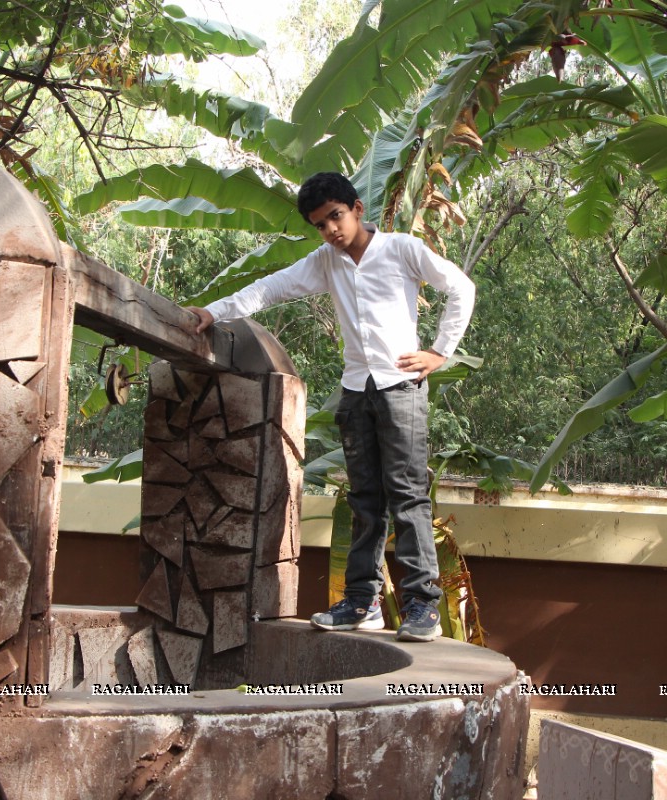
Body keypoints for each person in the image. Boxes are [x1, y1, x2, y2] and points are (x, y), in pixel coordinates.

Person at [184, 172, 475, 642]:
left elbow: (462, 288)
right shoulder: (326, 262)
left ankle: (423, 605)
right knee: (364, 499)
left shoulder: (401, 249)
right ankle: (363, 602)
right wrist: (215, 312)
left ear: (357, 208)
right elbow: (270, 287)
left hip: (402, 386)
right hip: (356, 390)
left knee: (406, 493)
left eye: (336, 217)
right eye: (321, 225)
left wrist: (440, 352)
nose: (331, 231)